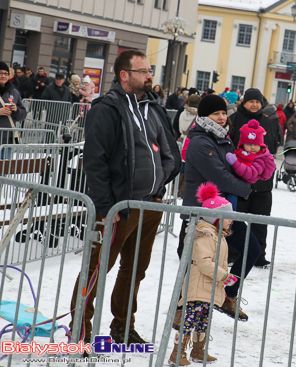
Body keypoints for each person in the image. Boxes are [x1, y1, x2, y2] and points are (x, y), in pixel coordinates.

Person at [69, 49, 180, 345]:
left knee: (134, 271)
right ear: (124, 75)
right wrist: (107, 206)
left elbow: (169, 150)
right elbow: (95, 161)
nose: (149, 76)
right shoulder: (106, 109)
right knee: (96, 268)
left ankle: (122, 325)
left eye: (149, 71)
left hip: (150, 204)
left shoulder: (152, 107)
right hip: (120, 207)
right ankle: (79, 329)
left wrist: (158, 182)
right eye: (143, 71)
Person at [179, 94, 259, 321]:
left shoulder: (223, 139)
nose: (222, 117)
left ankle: (228, 295)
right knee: (194, 265)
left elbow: (234, 167)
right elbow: (219, 176)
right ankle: (179, 310)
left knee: (251, 249)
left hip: (222, 212)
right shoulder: (200, 142)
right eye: (216, 113)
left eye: (224, 113)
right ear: (205, 116)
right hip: (201, 213)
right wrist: (246, 187)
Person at [168, 182, 236, 366]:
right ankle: (177, 353)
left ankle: (198, 351)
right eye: (228, 217)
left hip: (208, 288)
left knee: (203, 322)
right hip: (198, 286)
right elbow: (205, 263)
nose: (231, 220)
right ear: (214, 217)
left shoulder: (217, 234)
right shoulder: (205, 235)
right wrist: (223, 275)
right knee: (189, 321)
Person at [230, 88, 281, 268]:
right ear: (244, 102)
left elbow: (273, 146)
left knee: (260, 221)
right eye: (251, 101)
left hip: (263, 183)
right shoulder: (234, 120)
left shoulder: (269, 122)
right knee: (236, 221)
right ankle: (234, 253)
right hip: (240, 181)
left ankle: (259, 255)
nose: (254, 105)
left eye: (258, 102)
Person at [226, 119, 276, 184]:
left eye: (256, 144)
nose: (252, 147)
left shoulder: (260, 159)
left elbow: (249, 173)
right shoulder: (241, 153)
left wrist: (235, 162)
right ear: (242, 145)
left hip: (244, 186)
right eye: (249, 144)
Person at [0, 61, 27, 159]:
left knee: (5, 170)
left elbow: (23, 114)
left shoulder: (14, 92)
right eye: (0, 73)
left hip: (8, 138)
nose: (3, 76)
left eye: (5, 74)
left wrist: (16, 110)